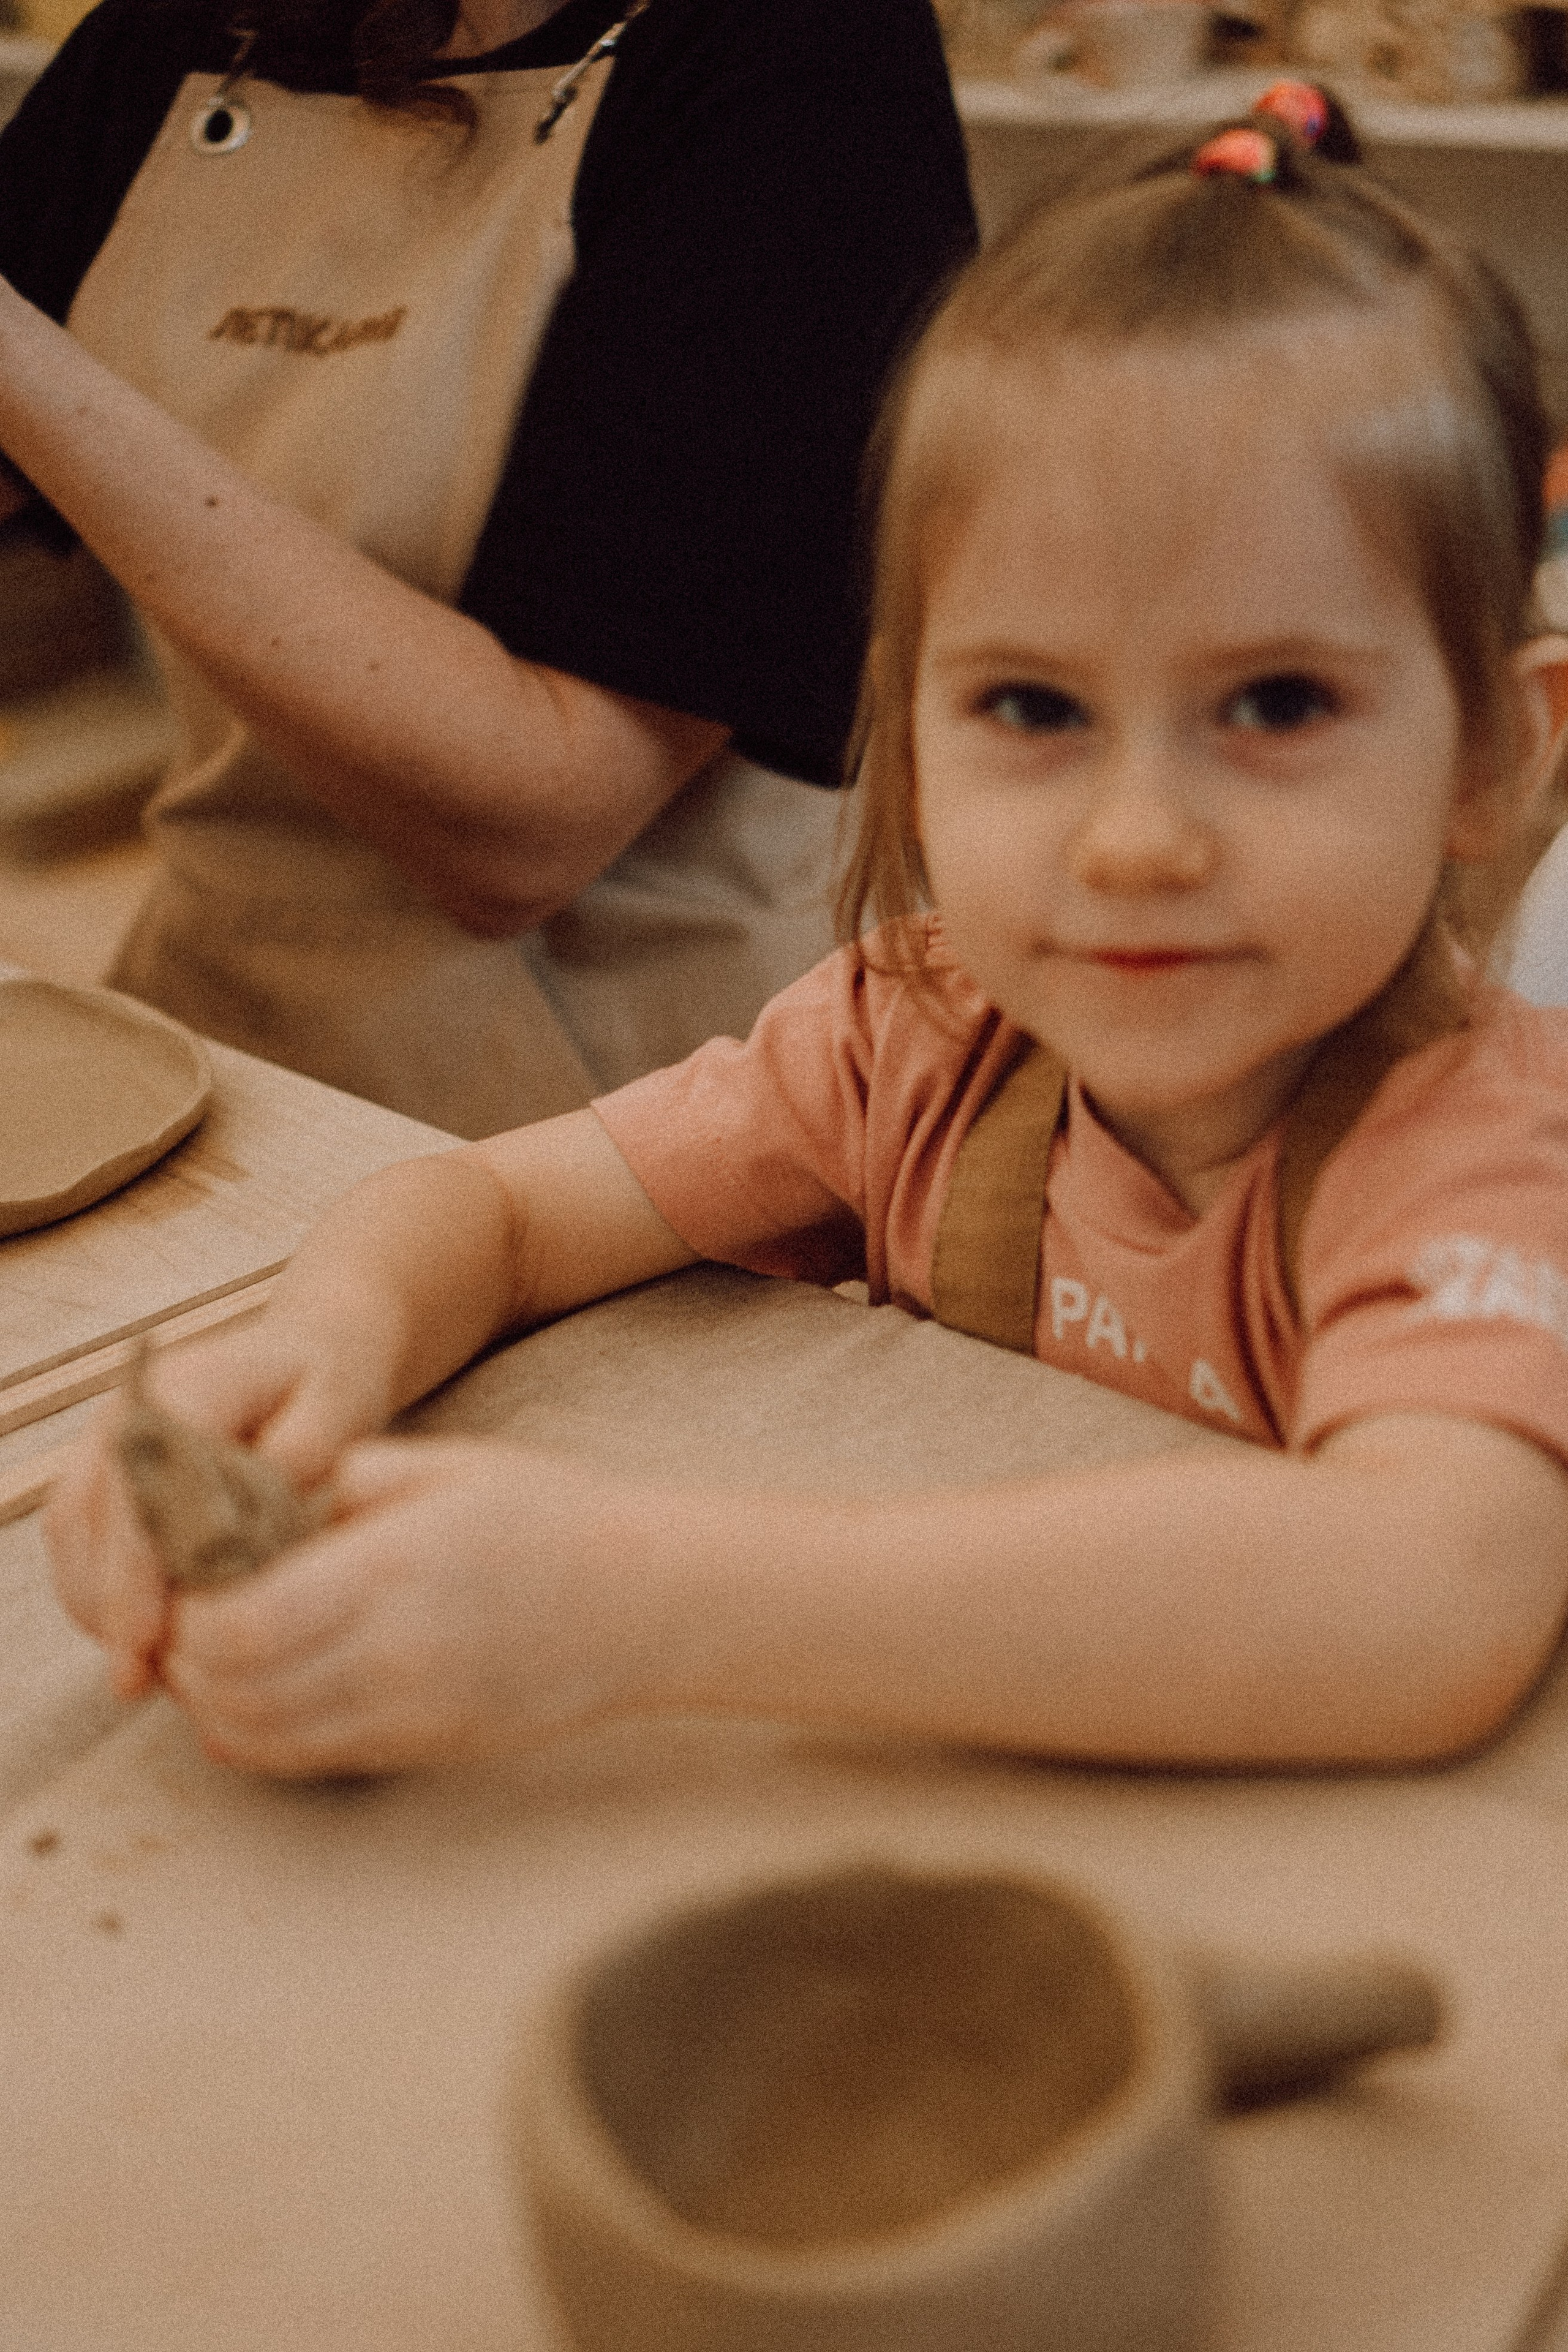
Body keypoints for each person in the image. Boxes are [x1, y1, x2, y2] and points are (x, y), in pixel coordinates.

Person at [45, 84, 1568, 1779]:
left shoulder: (1486, 1152)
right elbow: (495, 1208)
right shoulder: (910, 1037)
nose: (1138, 841)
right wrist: (308, 1352)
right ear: (901, 734)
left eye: (1277, 703)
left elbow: (1427, 1598)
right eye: (1033, 706)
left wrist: (629, 1609)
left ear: (1497, 758)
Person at [0, 0, 976, 1136]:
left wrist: (24, 365)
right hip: (223, 1041)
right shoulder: (183, 36)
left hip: (642, 1131)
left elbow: (535, 825)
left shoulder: (797, 61)